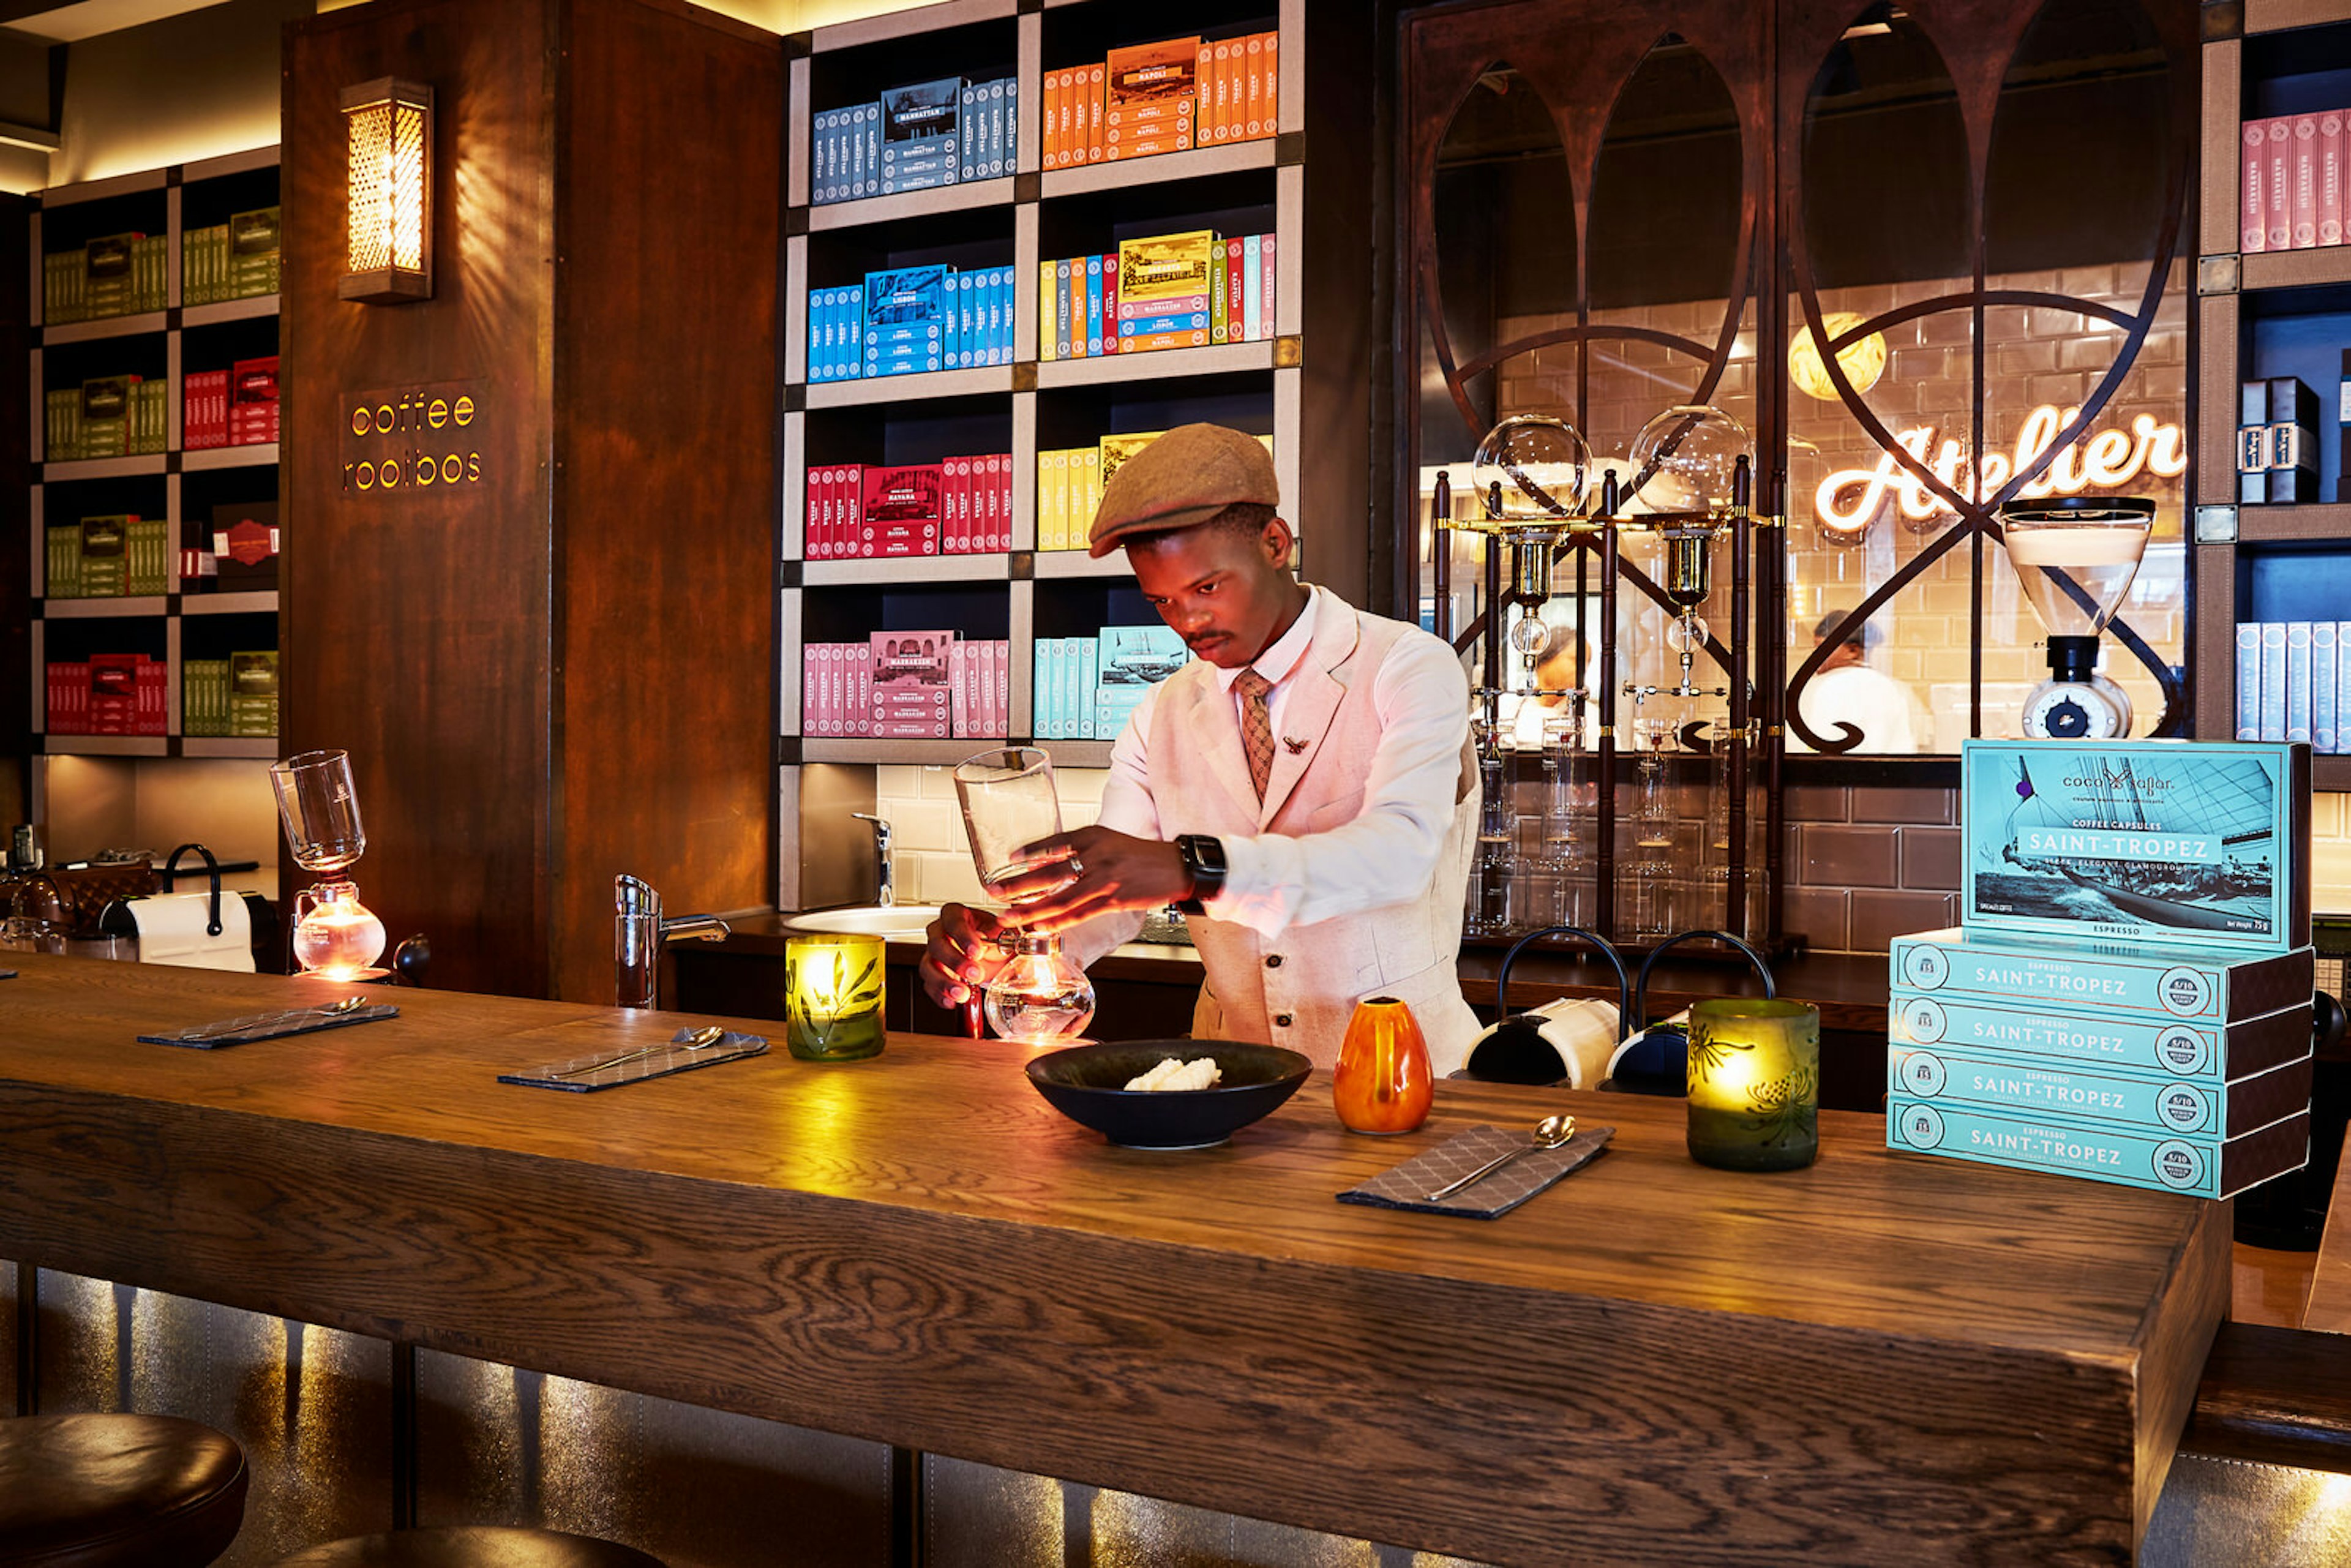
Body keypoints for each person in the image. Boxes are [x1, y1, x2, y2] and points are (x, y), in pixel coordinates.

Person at [921, 422, 1484, 1073]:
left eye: (1208, 587)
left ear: (1276, 543)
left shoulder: (1407, 664)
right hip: (1228, 1076)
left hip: (1404, 1071)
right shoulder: (1160, 713)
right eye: (1162, 600)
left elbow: (1400, 852)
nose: (1187, 622)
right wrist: (1014, 946)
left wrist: (1197, 868)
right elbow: (1109, 897)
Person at [1789, 610, 1927, 753]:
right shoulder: (1893, 687)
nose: (1814, 655)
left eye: (1822, 648)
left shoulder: (1826, 686)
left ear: (1852, 651)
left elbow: (1813, 745)